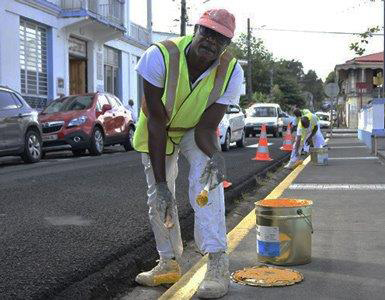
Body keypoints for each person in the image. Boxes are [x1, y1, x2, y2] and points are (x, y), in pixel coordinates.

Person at [132, 9, 243, 299]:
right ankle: (168, 262)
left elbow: (208, 127)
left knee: (207, 180)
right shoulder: (159, 56)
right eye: (206, 32)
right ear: (195, 30)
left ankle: (218, 261)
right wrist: (160, 184)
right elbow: (157, 122)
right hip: (159, 129)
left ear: (226, 45)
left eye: (219, 38)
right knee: (159, 195)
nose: (210, 41)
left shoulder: (231, 71)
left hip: (196, 130)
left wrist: (216, 156)